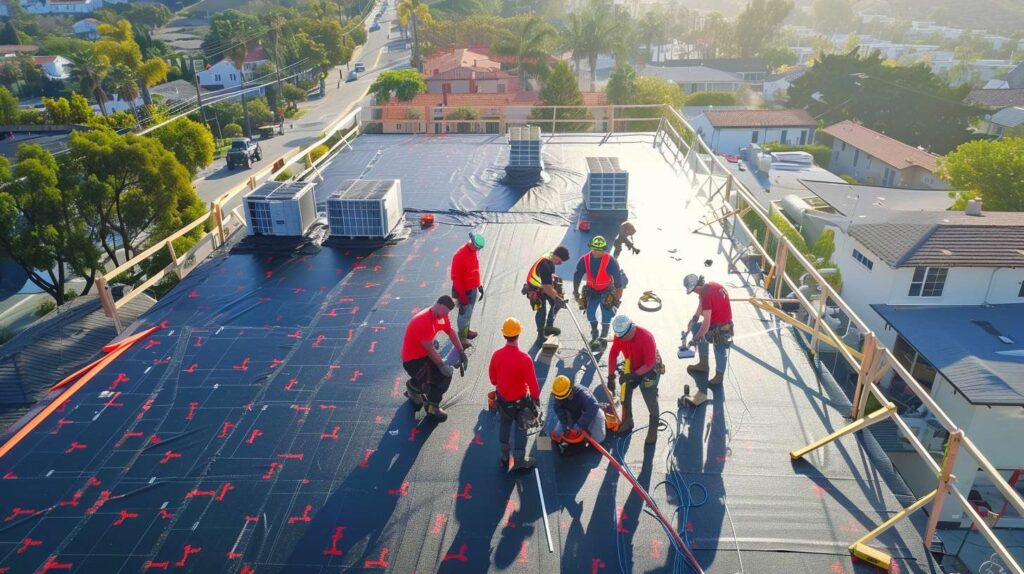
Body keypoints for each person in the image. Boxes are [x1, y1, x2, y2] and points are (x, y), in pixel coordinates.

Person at [401, 295, 465, 421]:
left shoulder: (441, 316)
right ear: (439, 305)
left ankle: (432, 406)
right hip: (412, 360)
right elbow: (429, 349)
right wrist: (441, 365)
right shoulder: (423, 321)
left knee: (444, 377)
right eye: (445, 312)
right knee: (430, 380)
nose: (445, 316)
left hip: (424, 355)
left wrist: (460, 350)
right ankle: (413, 387)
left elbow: (450, 331)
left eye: (447, 313)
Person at [488, 317, 541, 471]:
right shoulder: (525, 359)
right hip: (520, 402)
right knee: (521, 428)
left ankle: (505, 457)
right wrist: (536, 400)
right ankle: (519, 461)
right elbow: (533, 385)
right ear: (518, 334)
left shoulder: (496, 355)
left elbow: (492, 379)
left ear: (504, 335)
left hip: (503, 401)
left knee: (505, 424)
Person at [607, 315, 662, 444]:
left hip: (650, 368)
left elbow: (650, 363)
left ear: (631, 329)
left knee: (649, 395)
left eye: (623, 337)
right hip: (633, 365)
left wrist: (633, 375)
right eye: (619, 337)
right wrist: (611, 376)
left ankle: (653, 425)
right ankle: (628, 420)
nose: (621, 340)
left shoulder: (646, 337)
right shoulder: (620, 335)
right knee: (625, 391)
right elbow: (613, 353)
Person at [573, 236, 624, 349]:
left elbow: (617, 278)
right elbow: (577, 276)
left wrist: (617, 297)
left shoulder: (610, 261)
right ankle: (594, 331)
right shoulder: (584, 260)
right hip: (592, 290)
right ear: (591, 248)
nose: (597, 252)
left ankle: (603, 336)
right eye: (595, 249)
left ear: (604, 249)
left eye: (600, 250)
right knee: (590, 312)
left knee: (607, 313)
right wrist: (576, 292)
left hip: (607, 289)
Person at [683, 274, 734, 386]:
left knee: (719, 347)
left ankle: (719, 376)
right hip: (717, 320)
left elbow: (706, 324)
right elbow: (701, 306)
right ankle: (703, 364)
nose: (694, 293)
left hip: (721, 327)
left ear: (696, 288)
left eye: (693, 291)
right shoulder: (709, 286)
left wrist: (694, 340)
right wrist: (693, 320)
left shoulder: (706, 295)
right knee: (696, 328)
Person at [523, 246, 571, 342]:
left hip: (543, 286)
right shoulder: (545, 265)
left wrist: (557, 297)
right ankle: (540, 336)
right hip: (535, 289)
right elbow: (547, 287)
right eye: (560, 261)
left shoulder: (550, 258)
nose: (560, 264)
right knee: (542, 311)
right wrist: (558, 299)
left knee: (554, 303)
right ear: (556, 257)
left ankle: (549, 327)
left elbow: (549, 276)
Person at [451, 232, 486, 346]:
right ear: (472, 243)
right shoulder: (459, 256)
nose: (477, 250)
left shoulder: (474, 252)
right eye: (477, 247)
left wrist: (479, 285)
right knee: (463, 315)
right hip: (464, 291)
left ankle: (466, 331)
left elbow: (475, 270)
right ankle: (462, 340)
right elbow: (456, 279)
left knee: (469, 313)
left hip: (472, 289)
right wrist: (462, 297)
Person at [550, 375, 606, 446]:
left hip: (590, 412)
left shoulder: (582, 393)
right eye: (564, 397)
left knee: (599, 438)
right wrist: (566, 427)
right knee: (558, 433)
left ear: (571, 388)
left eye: (569, 394)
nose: (569, 397)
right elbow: (559, 412)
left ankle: (601, 417)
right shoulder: (558, 397)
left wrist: (580, 424)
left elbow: (594, 406)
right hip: (573, 414)